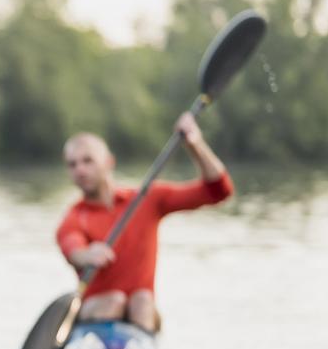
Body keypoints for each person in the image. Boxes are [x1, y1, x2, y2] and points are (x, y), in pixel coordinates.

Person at [55, 113, 234, 332]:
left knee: (141, 300)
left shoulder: (147, 199)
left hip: (141, 312)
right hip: (98, 309)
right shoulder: (72, 219)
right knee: (115, 300)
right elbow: (73, 249)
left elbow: (218, 191)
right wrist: (86, 255)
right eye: (72, 165)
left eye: (88, 161)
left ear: (109, 162)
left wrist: (195, 144)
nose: (80, 170)